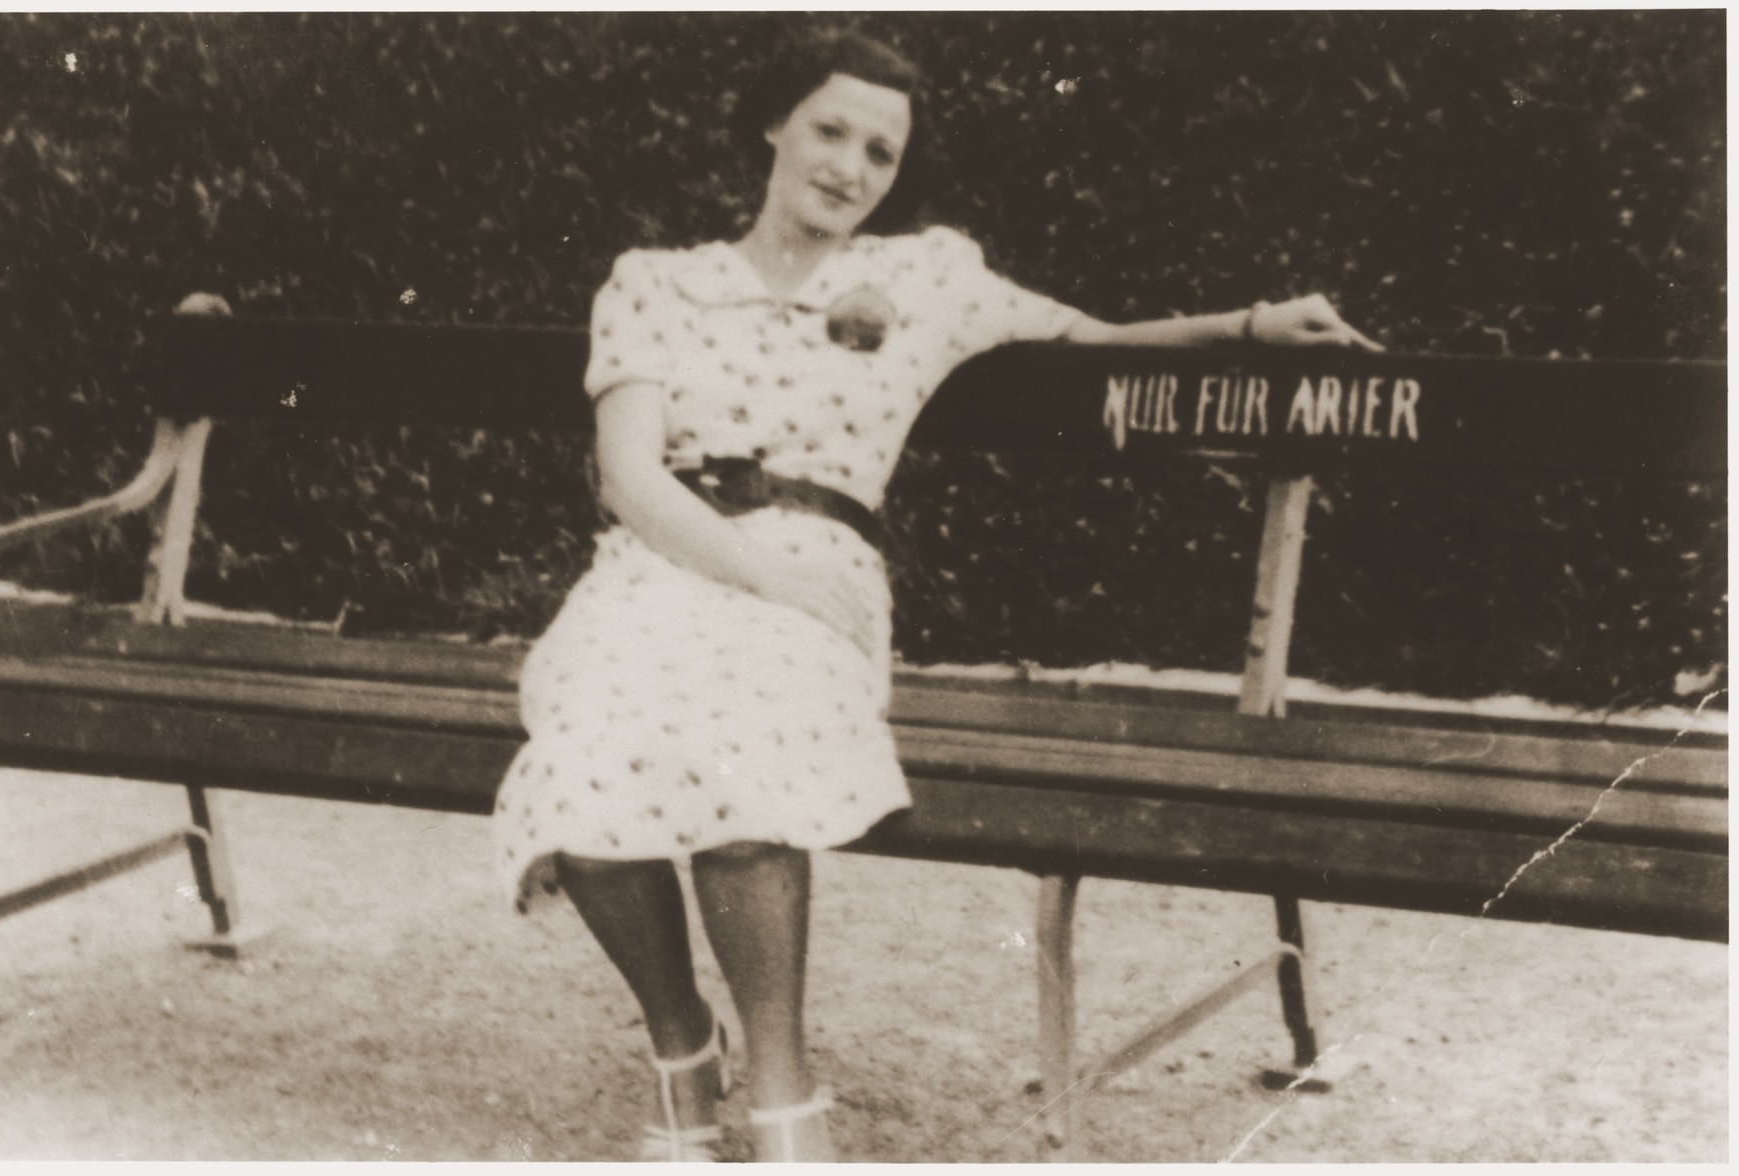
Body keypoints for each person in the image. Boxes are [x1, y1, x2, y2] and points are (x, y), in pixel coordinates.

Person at [491, 29, 1379, 1163]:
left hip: (820, 563)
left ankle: (781, 1093)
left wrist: (1251, 326)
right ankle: (681, 1047)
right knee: (579, 770)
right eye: (829, 130)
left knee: (746, 759)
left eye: (880, 150)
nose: (850, 166)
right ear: (773, 125)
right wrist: (759, 574)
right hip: (667, 563)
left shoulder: (928, 278)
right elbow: (628, 475)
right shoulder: (657, 282)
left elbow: (1094, 344)